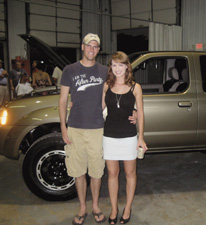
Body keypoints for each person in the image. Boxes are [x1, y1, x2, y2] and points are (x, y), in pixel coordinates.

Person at [59, 33, 109, 225]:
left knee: (96, 171)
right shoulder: (69, 70)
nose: (92, 49)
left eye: (96, 46)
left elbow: (113, 94)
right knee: (78, 171)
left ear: (98, 50)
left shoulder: (105, 70)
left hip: (98, 128)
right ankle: (82, 207)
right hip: (75, 128)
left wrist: (134, 111)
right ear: (82, 46)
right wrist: (63, 127)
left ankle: (95, 205)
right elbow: (63, 100)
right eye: (89, 45)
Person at [102, 51, 148, 224]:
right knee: (112, 174)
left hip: (129, 136)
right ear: (110, 68)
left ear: (127, 66)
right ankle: (114, 209)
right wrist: (76, 103)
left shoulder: (136, 87)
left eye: (121, 65)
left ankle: (127, 208)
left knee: (130, 173)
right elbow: (98, 108)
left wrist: (141, 138)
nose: (118, 69)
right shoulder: (106, 85)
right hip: (109, 136)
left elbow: (141, 113)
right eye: (114, 65)